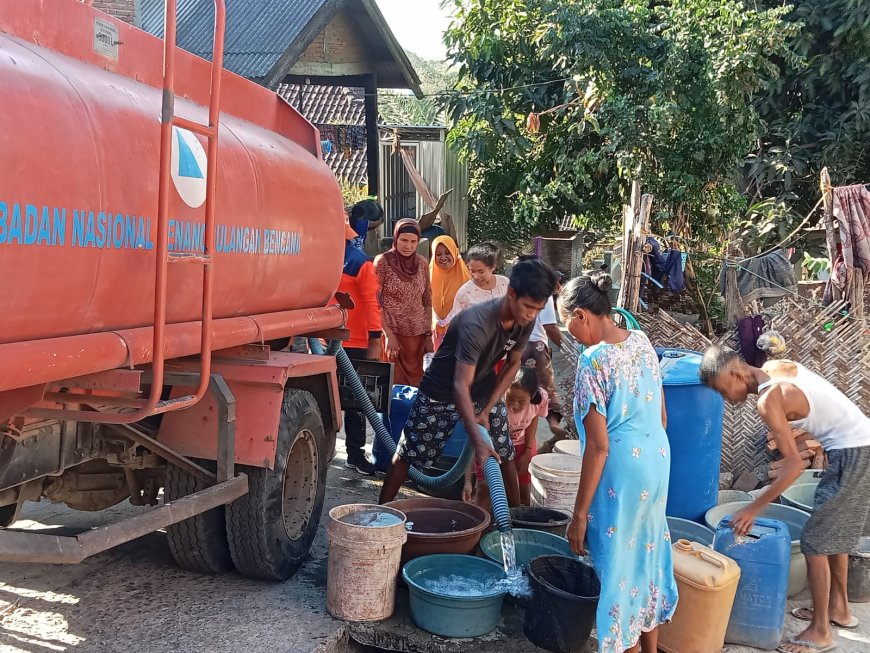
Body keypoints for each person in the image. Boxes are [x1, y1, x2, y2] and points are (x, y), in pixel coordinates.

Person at [699, 347, 870, 653]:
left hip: (853, 450)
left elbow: (794, 464)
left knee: (815, 541)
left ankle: (820, 631)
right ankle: (839, 610)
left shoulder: (768, 400)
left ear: (736, 374)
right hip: (856, 444)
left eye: (722, 389)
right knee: (835, 532)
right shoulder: (776, 367)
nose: (725, 398)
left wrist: (753, 507)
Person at [378, 259, 558, 507]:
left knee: (503, 452)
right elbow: (460, 385)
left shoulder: (524, 320)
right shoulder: (477, 323)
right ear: (511, 294)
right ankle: (380, 512)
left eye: (538, 309)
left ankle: (515, 521)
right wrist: (476, 437)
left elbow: (513, 364)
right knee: (410, 452)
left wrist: (486, 410)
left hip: (484, 389)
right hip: (440, 391)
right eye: (528, 307)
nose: (531, 315)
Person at [561, 272, 677, 653]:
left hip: (621, 474)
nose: (573, 338)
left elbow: (598, 447)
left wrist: (578, 517)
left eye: (570, 328)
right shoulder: (641, 341)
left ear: (581, 315)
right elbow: (661, 416)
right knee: (646, 556)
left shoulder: (593, 362)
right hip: (658, 460)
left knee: (618, 570)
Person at [463, 367, 548, 508]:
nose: (514, 404)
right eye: (511, 398)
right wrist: (467, 480)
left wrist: (527, 450)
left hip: (522, 443)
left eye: (521, 401)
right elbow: (472, 442)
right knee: (485, 487)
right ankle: (484, 524)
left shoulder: (541, 398)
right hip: (493, 447)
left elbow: (534, 418)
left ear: (532, 396)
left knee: (523, 489)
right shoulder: (494, 402)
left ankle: (518, 521)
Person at [336, 221, 382, 475]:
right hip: (330, 340)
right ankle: (350, 453)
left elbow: (372, 303)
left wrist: (375, 341)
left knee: (355, 402)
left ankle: (355, 453)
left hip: (354, 342)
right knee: (342, 401)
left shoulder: (360, 263)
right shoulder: (328, 261)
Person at [374, 219, 433, 387]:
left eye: (413, 241)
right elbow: (376, 302)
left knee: (418, 386)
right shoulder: (383, 263)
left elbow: (427, 299)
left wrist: (428, 334)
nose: (408, 246)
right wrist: (388, 334)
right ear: (396, 238)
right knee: (393, 385)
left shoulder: (422, 263)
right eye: (404, 240)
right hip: (393, 338)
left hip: (417, 338)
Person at [516, 256, 567, 444]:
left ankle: (518, 429)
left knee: (519, 389)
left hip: (516, 348)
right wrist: (566, 347)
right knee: (547, 388)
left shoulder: (513, 292)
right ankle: (554, 423)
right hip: (537, 347)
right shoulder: (542, 294)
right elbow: (550, 327)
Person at [438, 242, 509, 327]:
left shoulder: (504, 283)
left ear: (492, 267)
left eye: (481, 271)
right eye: (472, 271)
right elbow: (457, 322)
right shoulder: (464, 293)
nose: (476, 276)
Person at [429, 235, 470, 350]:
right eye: (438, 254)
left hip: (460, 334)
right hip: (434, 333)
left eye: (447, 253)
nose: (443, 257)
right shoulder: (428, 277)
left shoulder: (467, 278)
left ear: (454, 252)